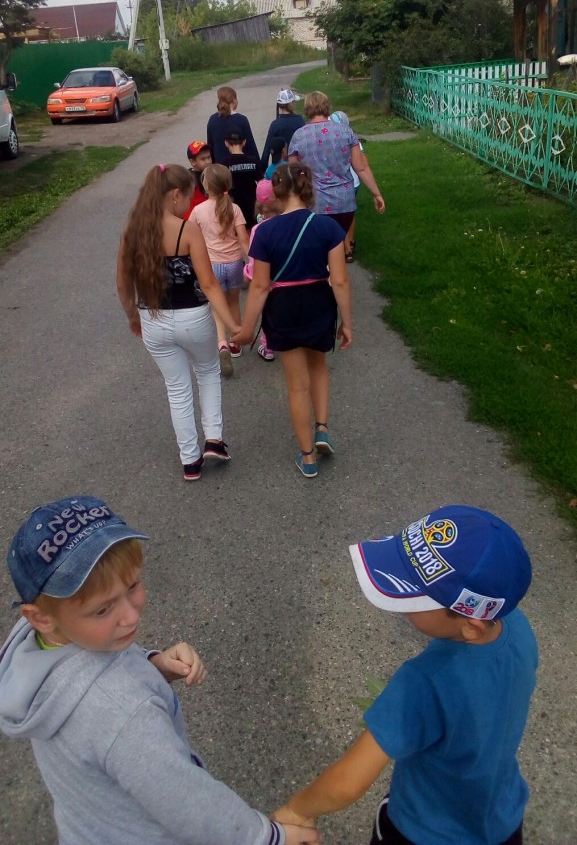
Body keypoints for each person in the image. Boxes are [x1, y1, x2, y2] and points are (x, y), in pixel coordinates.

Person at [0, 495, 321, 845]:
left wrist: (153, 665)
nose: (131, 616)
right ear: (40, 617)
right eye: (103, 610)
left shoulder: (40, 648)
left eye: (132, 586)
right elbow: (189, 803)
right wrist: (268, 837)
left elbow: (92, 675)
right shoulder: (123, 714)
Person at [272, 504, 537, 845]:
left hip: (422, 831)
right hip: (502, 819)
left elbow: (347, 782)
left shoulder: (424, 682)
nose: (403, 608)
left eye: (416, 598)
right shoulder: (517, 628)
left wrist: (296, 810)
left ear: (471, 626)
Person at [116, 164, 239, 481]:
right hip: (193, 317)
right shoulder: (187, 231)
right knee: (207, 371)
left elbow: (122, 283)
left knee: (177, 388)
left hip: (153, 319)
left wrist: (133, 317)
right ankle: (214, 439)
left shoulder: (132, 232)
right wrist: (233, 325)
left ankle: (190, 461)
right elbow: (209, 284)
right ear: (174, 195)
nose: (189, 203)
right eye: (188, 196)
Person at [233, 163, 352, 478]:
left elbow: (260, 286)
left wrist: (247, 329)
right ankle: (322, 428)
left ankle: (308, 456)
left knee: (297, 386)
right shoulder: (328, 227)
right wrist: (347, 322)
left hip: (283, 307)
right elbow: (340, 280)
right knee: (319, 367)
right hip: (319, 302)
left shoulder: (265, 232)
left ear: (276, 191)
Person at [288, 91, 385, 236]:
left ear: (307, 109)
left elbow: (293, 174)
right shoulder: (346, 131)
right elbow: (361, 168)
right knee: (339, 241)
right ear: (327, 106)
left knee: (321, 245)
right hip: (344, 203)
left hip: (315, 204)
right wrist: (376, 194)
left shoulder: (298, 136)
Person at [192, 164, 249, 377]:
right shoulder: (235, 209)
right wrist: (252, 262)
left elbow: (190, 235)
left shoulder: (198, 210)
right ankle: (236, 344)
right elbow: (243, 240)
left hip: (212, 265)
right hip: (234, 263)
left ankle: (222, 343)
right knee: (233, 302)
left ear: (206, 185)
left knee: (217, 306)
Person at [243, 178, 281, 362]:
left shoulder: (258, 230)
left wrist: (248, 273)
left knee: (268, 314)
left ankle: (268, 347)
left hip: (268, 283)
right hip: (287, 280)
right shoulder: (288, 225)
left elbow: (254, 260)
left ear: (258, 205)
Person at [329, 110, 366, 262]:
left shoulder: (330, 141)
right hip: (354, 182)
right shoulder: (353, 139)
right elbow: (363, 163)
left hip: (339, 182)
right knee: (350, 213)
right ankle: (350, 242)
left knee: (338, 215)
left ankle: (344, 247)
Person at [222, 130, 266, 229]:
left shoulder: (224, 164)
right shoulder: (253, 161)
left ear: (226, 143)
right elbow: (261, 183)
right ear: (244, 142)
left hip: (233, 206)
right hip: (252, 205)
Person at [206, 85, 259, 164]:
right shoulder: (241, 119)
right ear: (234, 100)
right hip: (240, 164)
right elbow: (251, 146)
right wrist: (257, 163)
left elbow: (210, 146)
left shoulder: (212, 120)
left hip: (220, 166)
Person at [260, 88, 305, 167]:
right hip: (297, 164)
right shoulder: (299, 121)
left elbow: (267, 149)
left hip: (280, 167)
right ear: (292, 104)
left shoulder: (275, 124)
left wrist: (263, 168)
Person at [183, 140, 211, 220]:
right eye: (203, 159)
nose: (208, 162)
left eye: (209, 157)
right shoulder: (188, 180)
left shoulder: (211, 173)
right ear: (192, 162)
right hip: (194, 220)